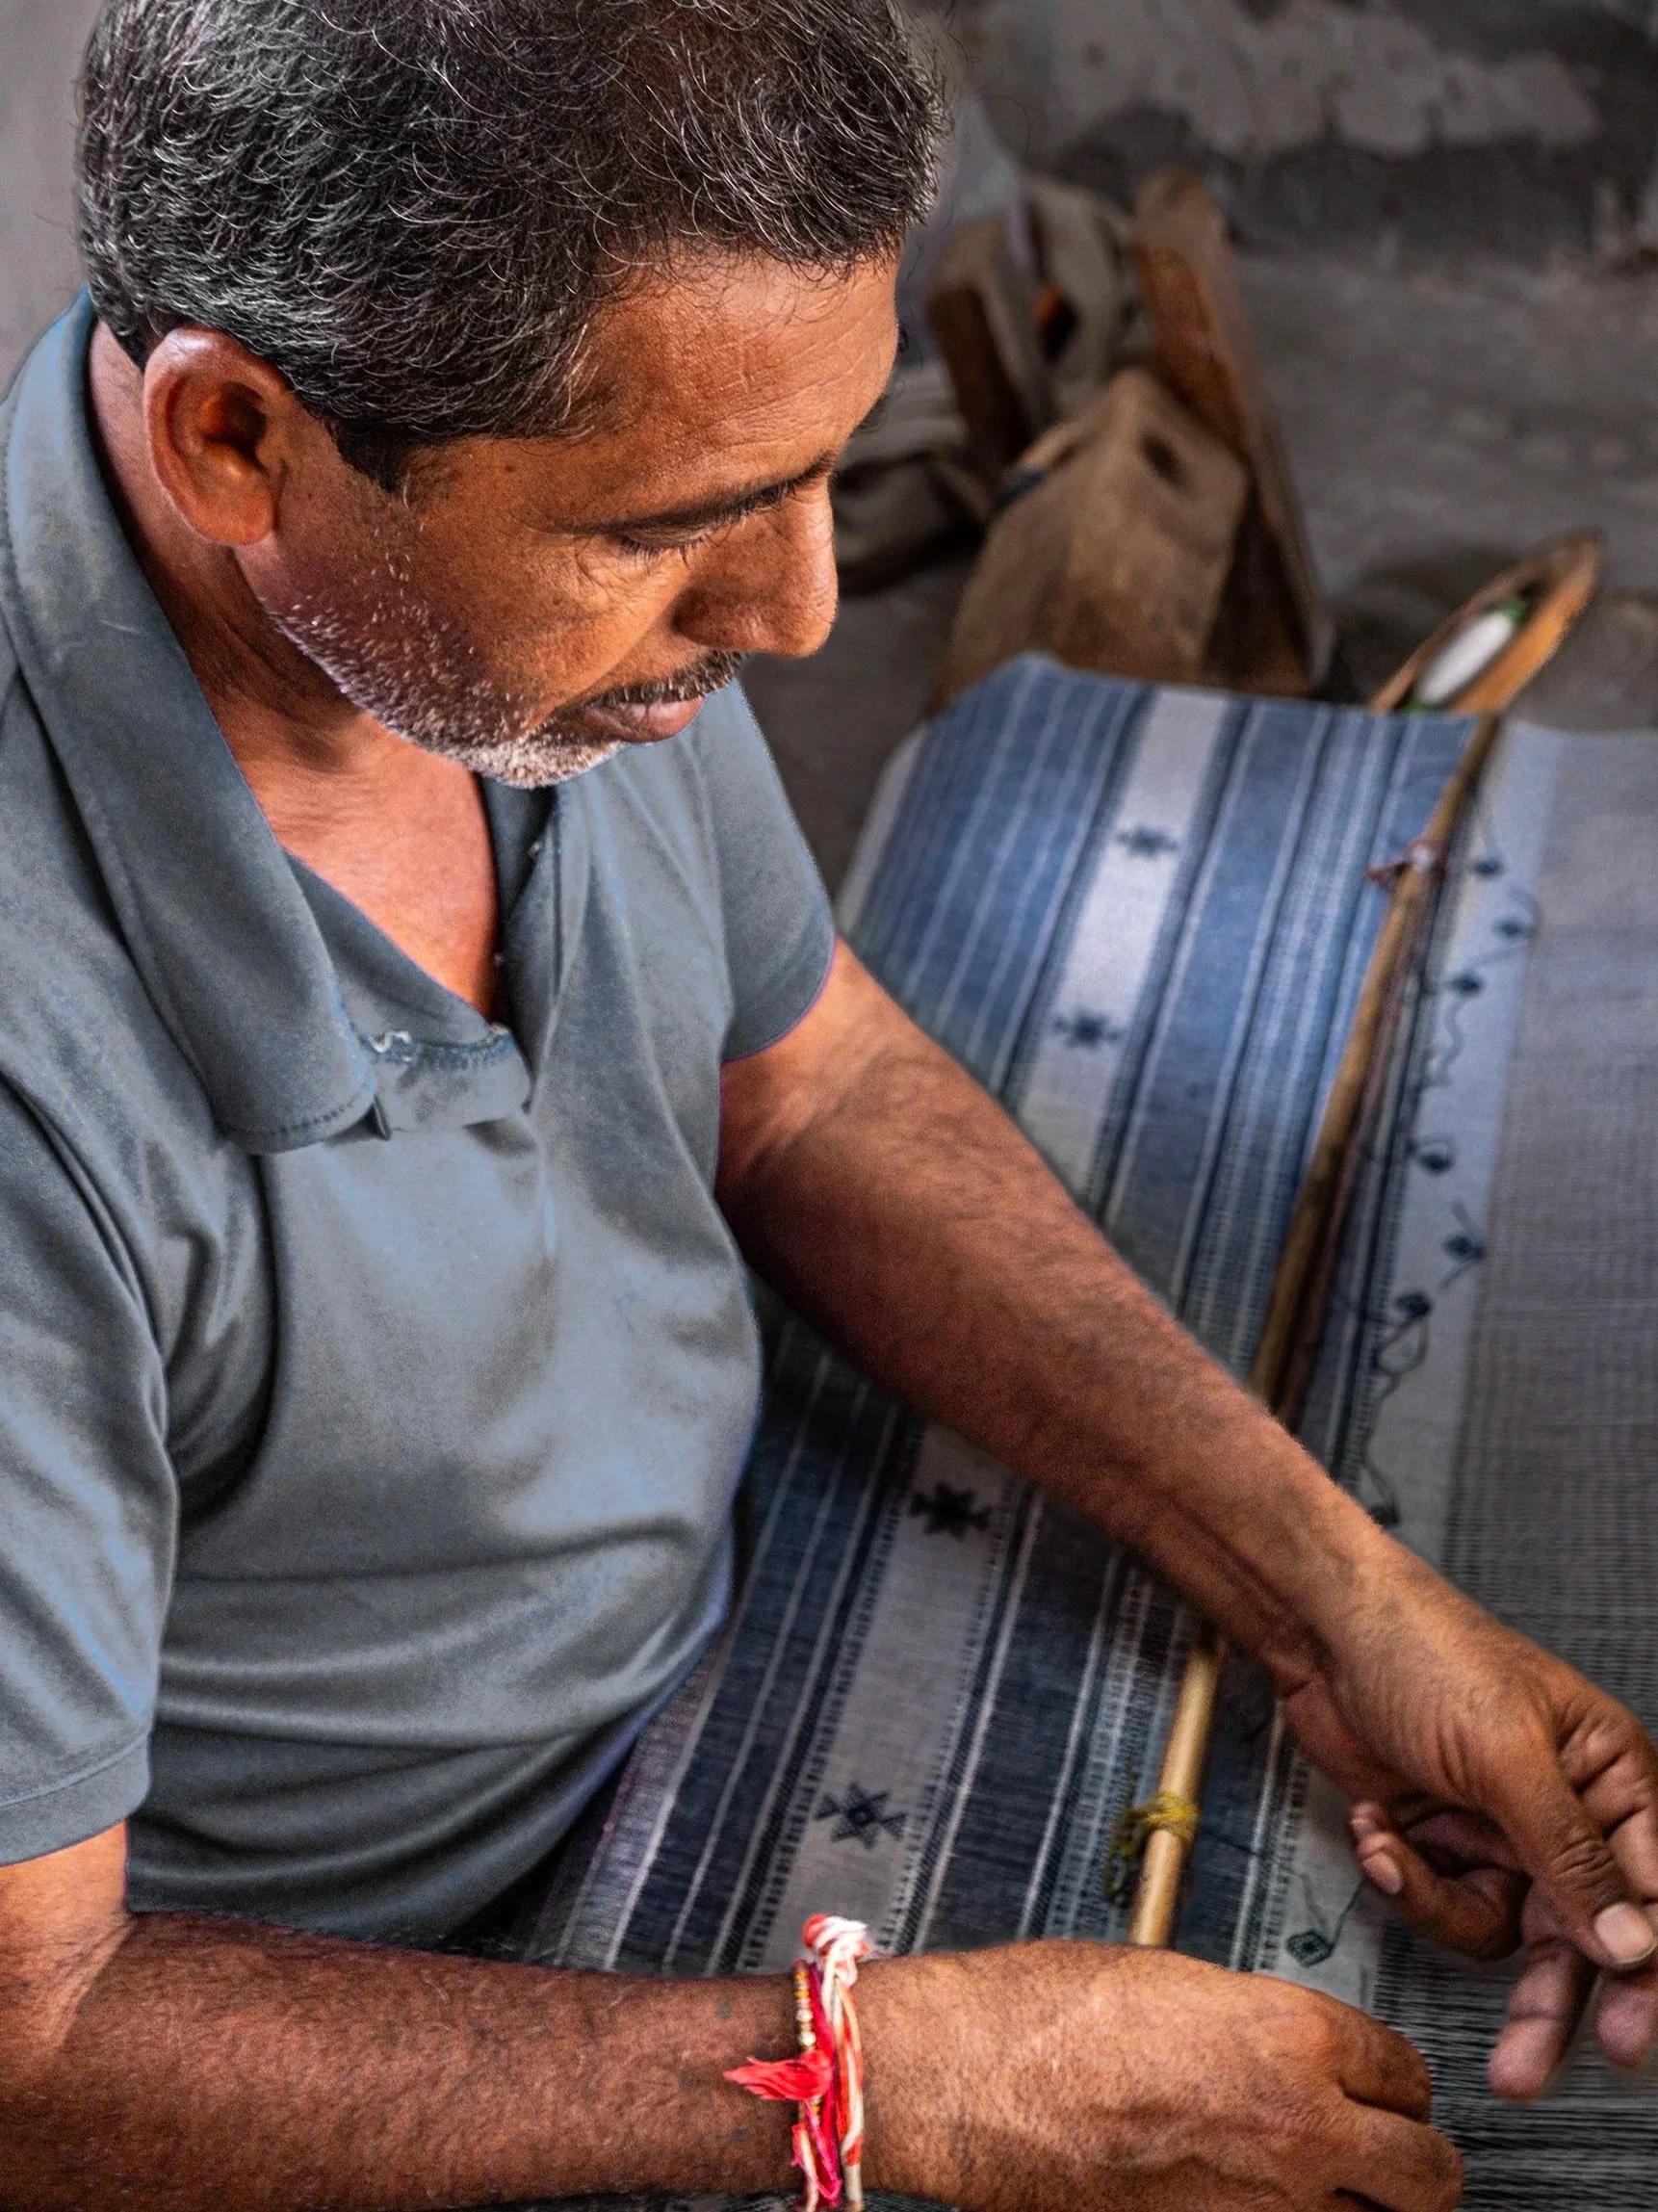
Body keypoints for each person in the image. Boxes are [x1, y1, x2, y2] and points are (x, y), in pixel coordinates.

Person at [0, 2, 1652, 2206]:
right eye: (671, 525)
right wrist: (873, 2081)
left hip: (718, 1624)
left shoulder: (478, 618)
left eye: (818, 469)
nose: (796, 610)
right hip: (364, 1979)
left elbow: (807, 1075)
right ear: (232, 440)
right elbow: (38, 2039)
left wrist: (1327, 1592)